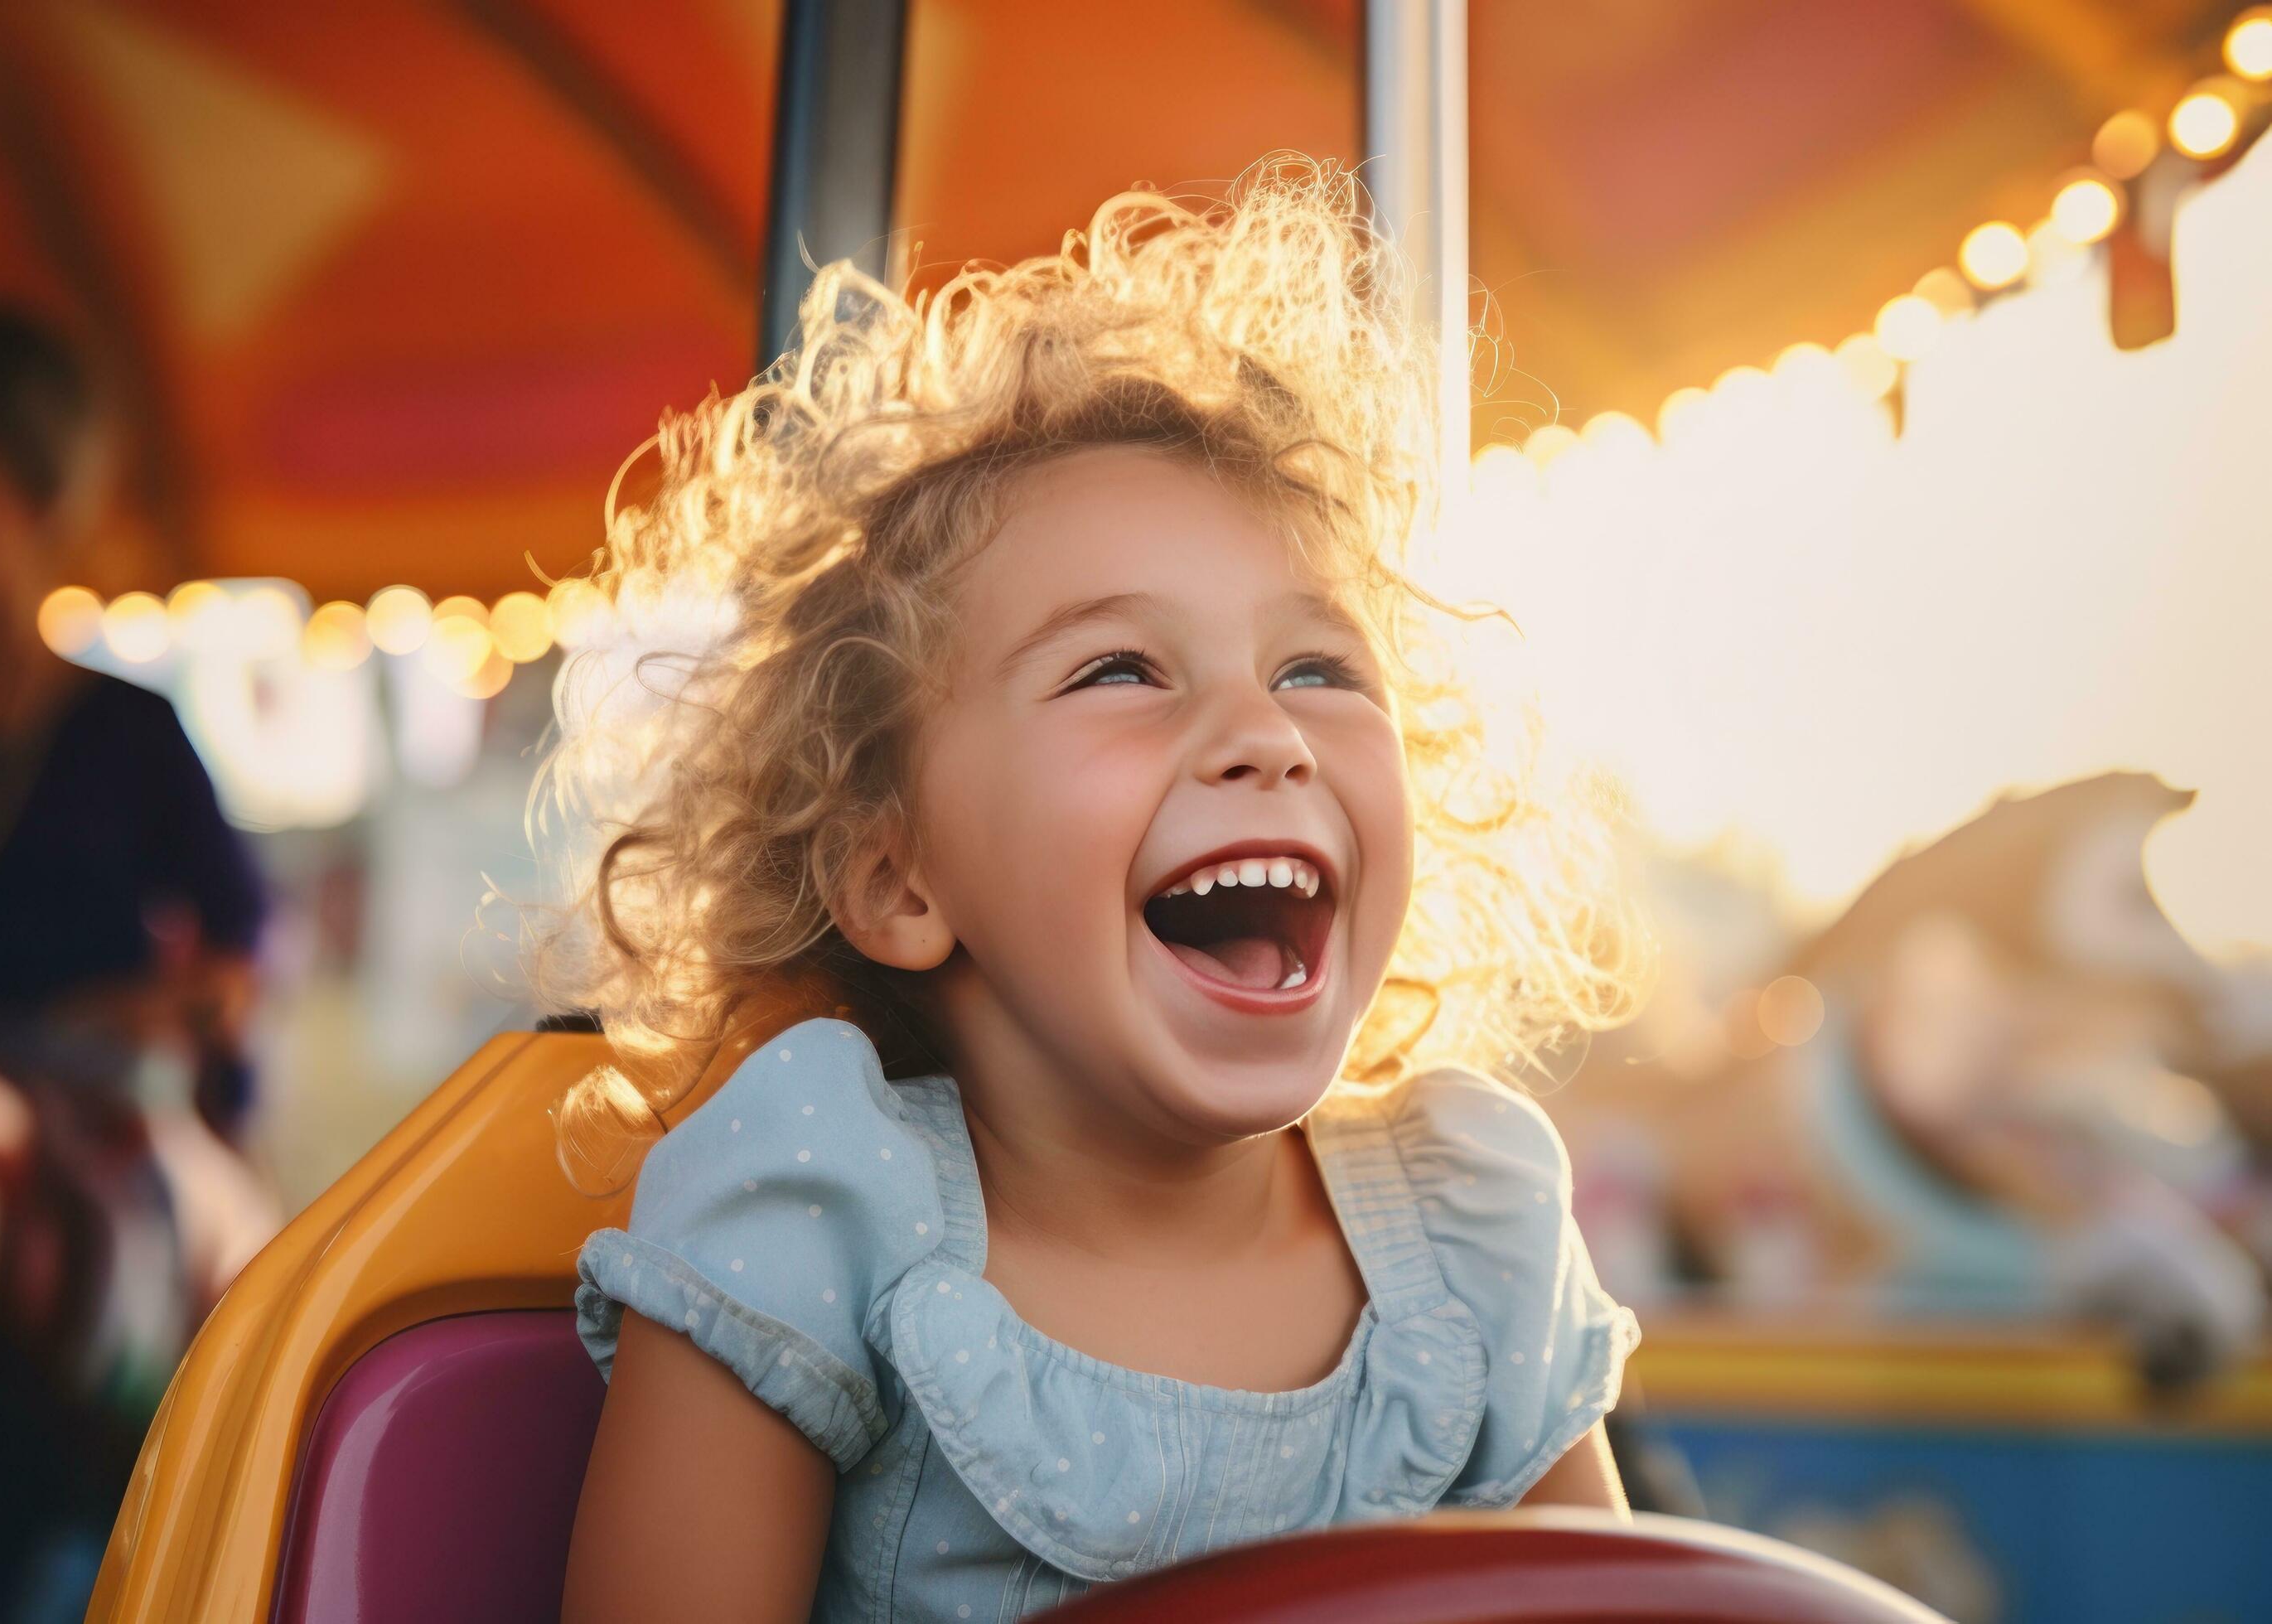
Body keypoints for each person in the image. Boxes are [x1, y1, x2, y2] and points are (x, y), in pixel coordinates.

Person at [553, 160, 1655, 1623]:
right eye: (1120, 670)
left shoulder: (1468, 1240)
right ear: (898, 879)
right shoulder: (828, 1214)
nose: (1266, 734)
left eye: (1317, 669)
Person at [0, 303, 273, 1622]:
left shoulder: (125, 736)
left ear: (29, 487)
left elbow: (238, 956)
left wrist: (160, 1001)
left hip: (62, 1106)